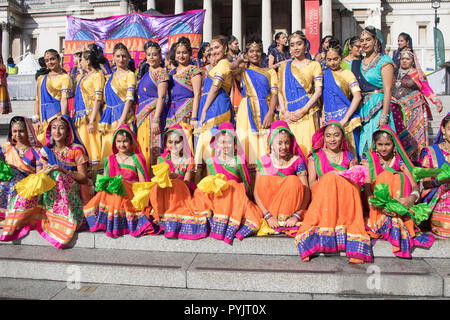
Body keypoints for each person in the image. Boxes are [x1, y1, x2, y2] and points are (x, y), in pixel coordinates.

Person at [0, 116, 90, 248]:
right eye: (54, 128)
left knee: (57, 176)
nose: (57, 131)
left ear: (68, 131)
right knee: (36, 183)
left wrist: (63, 170)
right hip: (51, 187)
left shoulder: (76, 150)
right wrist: (45, 171)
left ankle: (64, 220)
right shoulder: (46, 150)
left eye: (61, 128)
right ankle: (18, 218)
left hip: (73, 186)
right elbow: (39, 173)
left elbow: (83, 177)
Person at [295, 120, 372, 263]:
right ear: (323, 137)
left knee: (341, 182)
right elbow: (311, 183)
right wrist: (330, 181)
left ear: (343, 137)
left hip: (344, 197)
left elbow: (354, 182)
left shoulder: (350, 158)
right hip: (322, 195)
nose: (332, 139)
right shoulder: (315, 157)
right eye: (328, 135)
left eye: (336, 135)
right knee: (330, 178)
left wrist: (338, 178)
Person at [362, 126, 434, 258]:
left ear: (394, 144)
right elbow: (367, 188)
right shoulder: (369, 159)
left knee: (399, 177)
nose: (383, 148)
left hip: (398, 203)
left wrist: (411, 198)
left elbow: (414, 185)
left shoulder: (399, 160)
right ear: (375, 145)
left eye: (388, 144)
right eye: (380, 144)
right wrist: (378, 205)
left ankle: (395, 216)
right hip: (375, 204)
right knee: (386, 177)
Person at [84, 124, 159, 238]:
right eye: (118, 141)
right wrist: (114, 183)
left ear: (131, 142)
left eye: (125, 141)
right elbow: (104, 182)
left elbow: (142, 185)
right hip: (113, 193)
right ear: (115, 143)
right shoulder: (110, 159)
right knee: (109, 191)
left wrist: (123, 183)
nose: (121, 144)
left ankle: (116, 225)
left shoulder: (137, 158)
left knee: (120, 186)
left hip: (131, 193)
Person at [193, 122, 262, 244]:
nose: (225, 145)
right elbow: (210, 183)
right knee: (199, 193)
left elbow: (246, 183)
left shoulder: (238, 161)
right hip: (218, 196)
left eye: (229, 142)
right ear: (217, 143)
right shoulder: (211, 161)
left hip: (235, 198)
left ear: (235, 145)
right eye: (222, 142)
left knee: (233, 185)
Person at [149, 124, 208, 239]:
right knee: (156, 187)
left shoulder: (188, 160)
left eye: (177, 142)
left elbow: (186, 182)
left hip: (181, 193)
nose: (173, 145)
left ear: (183, 143)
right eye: (170, 142)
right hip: (164, 193)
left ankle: (174, 217)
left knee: (177, 184)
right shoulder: (161, 159)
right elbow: (158, 179)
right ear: (166, 144)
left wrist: (175, 177)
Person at [254, 120, 310, 236]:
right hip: (269, 214)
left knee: (293, 180)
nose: (284, 147)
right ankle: (274, 220)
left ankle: (284, 220)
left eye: (287, 142)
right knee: (264, 180)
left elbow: (306, 191)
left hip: (290, 216)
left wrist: (296, 216)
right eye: (279, 143)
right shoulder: (263, 161)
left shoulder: (296, 160)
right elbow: (256, 192)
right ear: (271, 143)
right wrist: (267, 216)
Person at [231, 37, 278, 164]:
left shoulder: (269, 72)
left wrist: (270, 113)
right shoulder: (243, 71)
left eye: (257, 51)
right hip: (247, 111)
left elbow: (275, 94)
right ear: (247, 54)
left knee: (265, 144)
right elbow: (231, 68)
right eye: (251, 51)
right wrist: (241, 59)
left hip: (265, 108)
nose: (254, 54)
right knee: (247, 142)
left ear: (261, 53)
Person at [351, 26, 395, 158]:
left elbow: (388, 89)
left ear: (375, 41)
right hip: (363, 109)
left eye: (368, 40)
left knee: (379, 145)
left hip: (379, 107)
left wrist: (384, 116)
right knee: (363, 146)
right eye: (362, 40)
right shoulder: (357, 63)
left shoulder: (384, 61)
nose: (364, 43)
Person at [193, 35, 235, 171]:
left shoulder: (223, 64)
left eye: (217, 47)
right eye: (211, 49)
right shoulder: (220, 64)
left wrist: (204, 109)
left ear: (225, 48)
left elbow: (215, 88)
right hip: (211, 103)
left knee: (213, 140)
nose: (213, 51)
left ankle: (215, 176)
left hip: (217, 105)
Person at [391, 50, 443, 160]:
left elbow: (426, 88)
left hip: (414, 111)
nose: (404, 61)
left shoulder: (417, 74)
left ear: (413, 61)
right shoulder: (394, 72)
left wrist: (437, 101)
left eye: (408, 59)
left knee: (414, 137)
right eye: (402, 58)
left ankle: (417, 160)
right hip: (398, 110)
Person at [278, 30, 323, 156]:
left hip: (307, 113)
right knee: (287, 151)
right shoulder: (284, 67)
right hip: (288, 115)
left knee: (306, 150)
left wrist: (303, 110)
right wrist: (284, 112)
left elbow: (318, 92)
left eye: (299, 44)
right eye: (292, 45)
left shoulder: (314, 65)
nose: (295, 48)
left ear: (305, 45)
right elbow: (280, 92)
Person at [322, 39, 362, 156]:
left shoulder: (347, 74)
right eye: (329, 60)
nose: (332, 62)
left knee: (350, 154)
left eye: (335, 59)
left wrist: (345, 118)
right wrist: (322, 117)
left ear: (341, 58)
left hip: (346, 121)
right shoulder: (325, 75)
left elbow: (357, 96)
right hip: (329, 121)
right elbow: (324, 99)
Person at [99, 43, 136, 162]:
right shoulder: (109, 77)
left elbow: (129, 98)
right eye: (118, 56)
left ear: (128, 58)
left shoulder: (130, 75)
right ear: (113, 58)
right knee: (107, 151)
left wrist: (122, 119)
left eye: (124, 56)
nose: (121, 59)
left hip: (124, 116)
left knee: (124, 151)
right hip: (108, 118)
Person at [136, 41, 169, 173]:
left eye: (155, 54)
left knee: (154, 146)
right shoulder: (146, 73)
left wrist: (156, 119)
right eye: (149, 54)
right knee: (143, 147)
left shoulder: (160, 72)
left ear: (160, 56)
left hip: (154, 115)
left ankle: (155, 179)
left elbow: (161, 97)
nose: (151, 57)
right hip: (143, 117)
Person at [0, 117, 42, 220]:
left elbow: (40, 175)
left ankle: (10, 214)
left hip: (28, 185)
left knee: (13, 181)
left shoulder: (36, 151)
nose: (18, 135)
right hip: (8, 182)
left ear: (28, 131)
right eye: (14, 131)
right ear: (11, 132)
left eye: (21, 131)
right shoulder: (7, 149)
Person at [419, 113, 450, 238]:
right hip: (440, 195)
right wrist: (443, 180)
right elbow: (426, 184)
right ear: (443, 129)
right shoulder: (431, 152)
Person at [73, 48, 105, 169]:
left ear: (88, 61)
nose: (80, 62)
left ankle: (95, 173)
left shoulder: (97, 75)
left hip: (92, 115)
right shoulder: (85, 76)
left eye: (81, 60)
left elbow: (98, 98)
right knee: (83, 143)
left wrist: (92, 120)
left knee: (93, 144)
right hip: (82, 117)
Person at [33, 49, 72, 145]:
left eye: (52, 59)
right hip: (43, 117)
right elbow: (37, 99)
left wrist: (63, 119)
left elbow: (64, 99)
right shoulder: (41, 78)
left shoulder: (65, 77)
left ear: (59, 59)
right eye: (47, 60)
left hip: (57, 115)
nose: (50, 62)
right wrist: (36, 119)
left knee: (57, 142)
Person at [167, 37, 202, 129]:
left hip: (187, 112)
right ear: (174, 55)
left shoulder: (193, 70)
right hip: (172, 112)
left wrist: (194, 117)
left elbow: (197, 94)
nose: (181, 55)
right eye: (178, 53)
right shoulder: (171, 72)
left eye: (184, 52)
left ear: (190, 54)